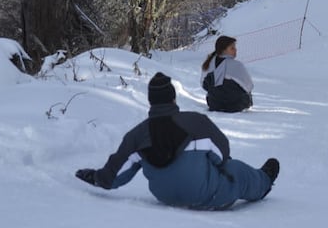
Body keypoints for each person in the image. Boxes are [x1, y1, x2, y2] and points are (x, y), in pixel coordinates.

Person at [74, 72, 279, 209]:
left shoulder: (137, 135)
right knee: (236, 170)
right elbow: (222, 153)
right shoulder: (196, 122)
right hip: (208, 195)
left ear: (151, 101)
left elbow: (115, 175)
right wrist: (218, 165)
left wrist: (96, 177)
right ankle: (264, 181)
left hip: (165, 197)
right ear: (173, 98)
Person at [202, 36, 254, 113]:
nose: (236, 50)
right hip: (236, 105)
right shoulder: (236, 65)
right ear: (223, 50)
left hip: (214, 104)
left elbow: (204, 85)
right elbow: (249, 86)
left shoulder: (209, 64)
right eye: (232, 48)